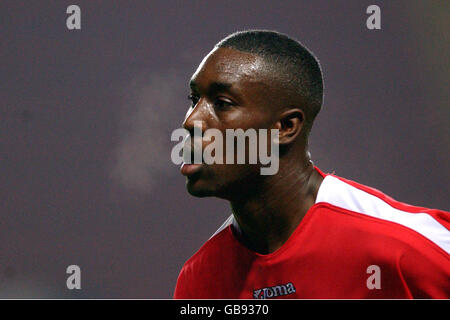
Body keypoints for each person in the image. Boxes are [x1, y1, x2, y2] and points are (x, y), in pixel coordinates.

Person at [173, 30, 449, 299]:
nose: (191, 121)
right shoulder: (200, 279)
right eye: (194, 99)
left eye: (221, 103)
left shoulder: (404, 244)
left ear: (284, 127)